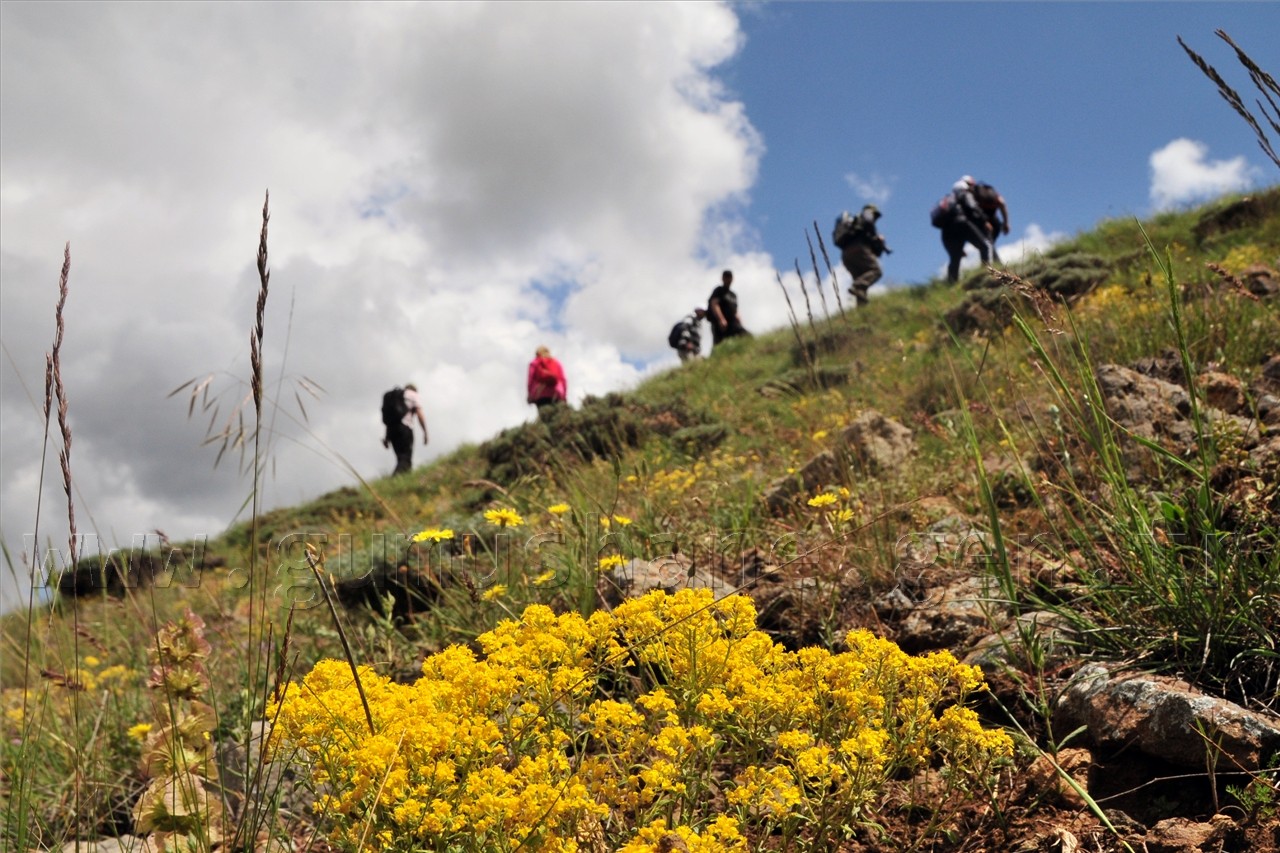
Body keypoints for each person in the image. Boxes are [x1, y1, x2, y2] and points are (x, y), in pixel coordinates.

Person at [832, 204, 891, 306]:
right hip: (859, 249)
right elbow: (869, 224)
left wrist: (878, 244)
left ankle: (861, 309)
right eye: (875, 215)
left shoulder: (855, 226)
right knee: (876, 271)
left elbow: (875, 251)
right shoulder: (867, 213)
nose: (875, 218)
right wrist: (876, 237)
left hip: (846, 255)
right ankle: (857, 286)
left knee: (861, 283)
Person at [939, 176, 992, 283]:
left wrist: (957, 247)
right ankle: (986, 274)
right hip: (962, 223)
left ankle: (952, 284)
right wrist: (984, 220)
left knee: (955, 258)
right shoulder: (964, 193)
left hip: (947, 230)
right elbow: (972, 206)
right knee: (984, 246)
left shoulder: (949, 199)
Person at [382, 383, 427, 475]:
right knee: (405, 459)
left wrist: (387, 438)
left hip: (392, 430)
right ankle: (394, 480)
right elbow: (419, 414)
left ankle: (404, 478)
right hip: (405, 428)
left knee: (400, 458)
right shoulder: (413, 394)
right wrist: (425, 432)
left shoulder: (396, 397)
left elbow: (391, 420)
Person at [707, 270, 749, 349]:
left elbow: (735, 311)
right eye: (726, 277)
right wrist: (721, 319)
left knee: (744, 336)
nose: (728, 279)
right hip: (719, 324)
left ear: (732, 279)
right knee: (719, 345)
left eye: (729, 277)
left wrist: (740, 322)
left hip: (733, 323)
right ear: (722, 278)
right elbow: (715, 304)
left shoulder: (733, 295)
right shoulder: (718, 290)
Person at [973, 181, 1010, 263]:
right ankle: (990, 264)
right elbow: (1002, 204)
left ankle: (995, 264)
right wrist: (1006, 223)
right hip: (994, 223)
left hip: (986, 223)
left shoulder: (976, 196)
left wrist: (984, 222)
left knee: (987, 244)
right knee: (988, 244)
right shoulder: (994, 195)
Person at [527, 346, 567, 415]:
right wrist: (564, 396)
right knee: (557, 416)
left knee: (544, 416)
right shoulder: (556, 362)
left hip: (540, 393)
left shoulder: (534, 363)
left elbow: (530, 380)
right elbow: (563, 380)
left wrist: (530, 395)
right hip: (557, 392)